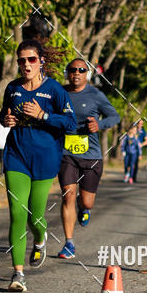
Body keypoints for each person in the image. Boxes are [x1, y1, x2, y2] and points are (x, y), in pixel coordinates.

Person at [0, 40, 76, 292]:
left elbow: (70, 123)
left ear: (41, 60)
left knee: (35, 216)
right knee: (17, 212)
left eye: (31, 59)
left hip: (45, 158)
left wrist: (43, 115)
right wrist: (6, 119)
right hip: (16, 156)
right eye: (21, 60)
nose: (26, 65)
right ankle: (18, 273)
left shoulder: (54, 90)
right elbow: (3, 114)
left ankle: (41, 237)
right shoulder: (13, 87)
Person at [57, 58, 120, 258]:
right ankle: (69, 243)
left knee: (87, 201)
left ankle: (84, 208)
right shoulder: (59, 93)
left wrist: (98, 125)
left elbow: (114, 117)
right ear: (67, 73)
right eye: (72, 70)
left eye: (81, 70)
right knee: (67, 194)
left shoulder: (95, 95)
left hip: (91, 156)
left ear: (87, 74)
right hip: (66, 153)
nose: (76, 73)